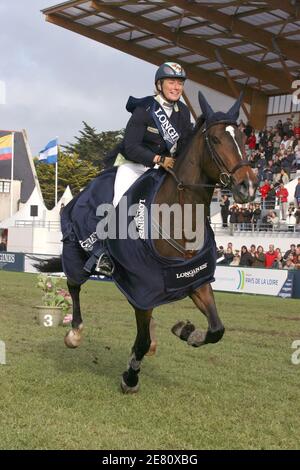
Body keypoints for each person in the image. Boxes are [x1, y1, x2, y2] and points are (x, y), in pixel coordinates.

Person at [96, 62, 193, 276]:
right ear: (159, 84)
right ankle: (103, 253)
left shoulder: (183, 113)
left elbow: (186, 144)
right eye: (171, 82)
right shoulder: (144, 109)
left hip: (163, 170)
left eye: (180, 83)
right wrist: (158, 158)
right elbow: (131, 146)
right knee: (119, 202)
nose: (176, 87)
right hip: (134, 166)